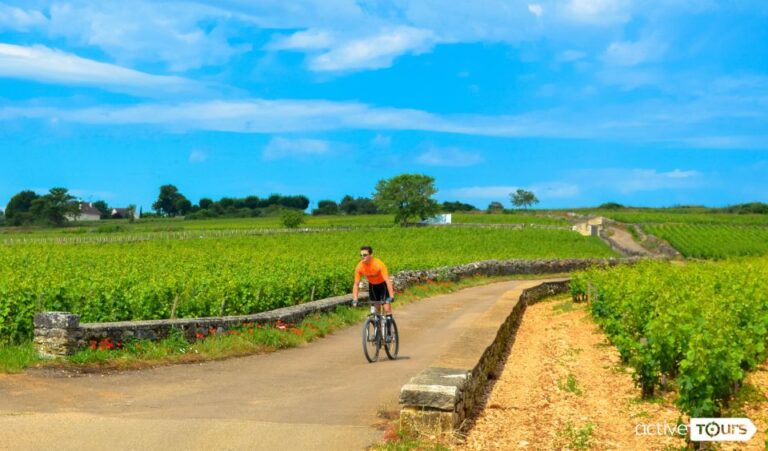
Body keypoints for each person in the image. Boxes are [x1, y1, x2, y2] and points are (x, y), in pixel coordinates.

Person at [352, 246, 395, 316]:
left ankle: (389, 320)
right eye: (361, 255)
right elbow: (356, 284)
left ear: (371, 255)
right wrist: (355, 299)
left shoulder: (379, 264)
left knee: (387, 309)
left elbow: (387, 281)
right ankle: (378, 326)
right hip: (372, 286)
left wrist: (391, 296)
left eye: (365, 255)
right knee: (376, 311)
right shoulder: (359, 267)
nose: (362, 257)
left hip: (382, 286)